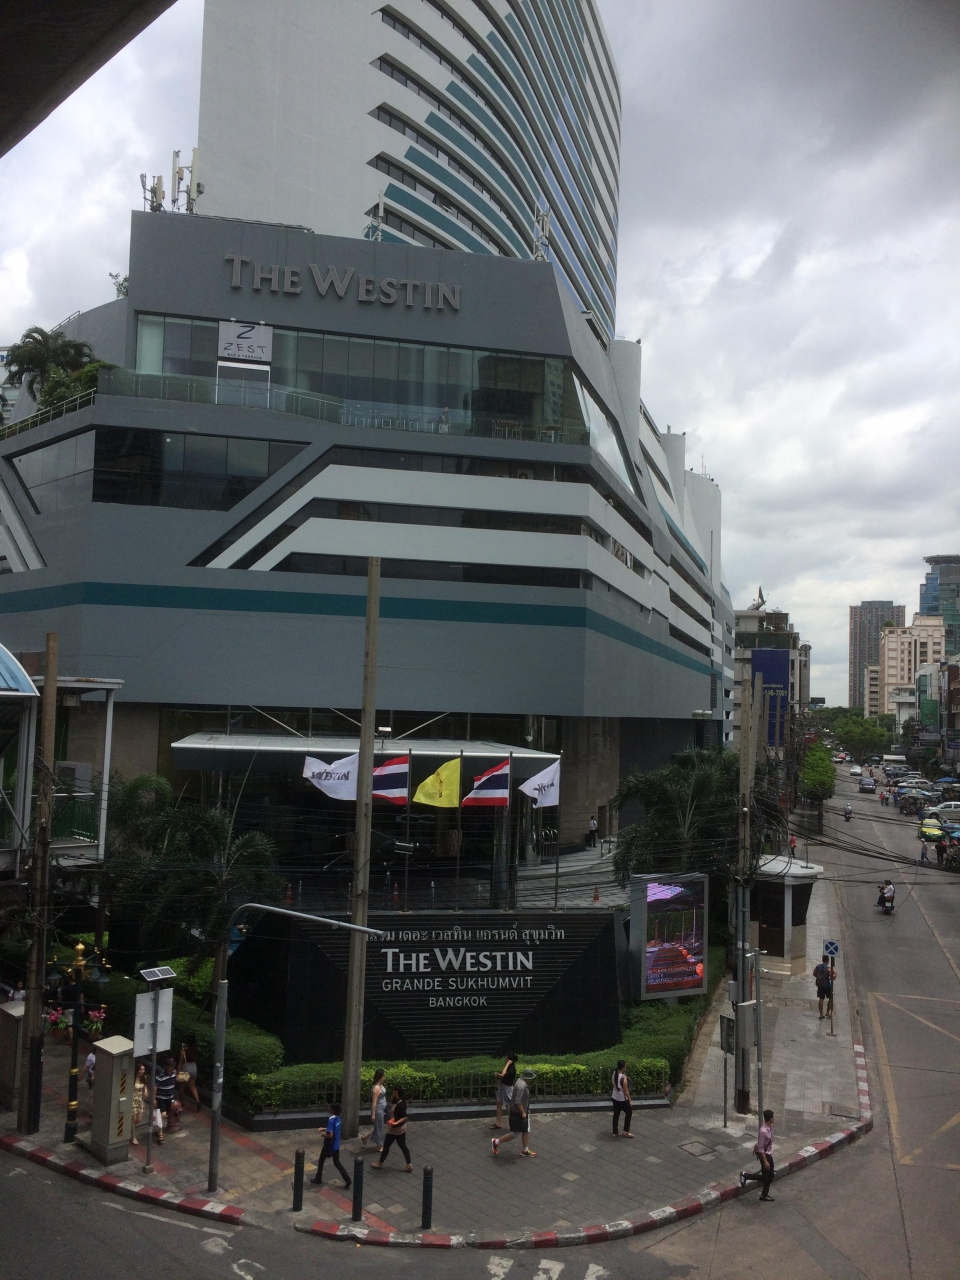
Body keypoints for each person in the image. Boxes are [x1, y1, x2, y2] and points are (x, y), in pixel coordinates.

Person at [492, 1069, 536, 1158]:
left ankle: (525, 1150)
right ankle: (496, 1142)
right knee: (514, 1133)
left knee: (526, 1129)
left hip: (519, 1111)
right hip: (518, 1113)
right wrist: (523, 1112)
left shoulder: (520, 1081)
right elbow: (518, 1101)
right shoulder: (521, 1086)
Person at [372, 1086, 412, 1171]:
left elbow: (404, 1117)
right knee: (402, 1145)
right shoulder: (400, 1101)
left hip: (395, 1129)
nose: (392, 1093)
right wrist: (393, 1096)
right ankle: (408, 1164)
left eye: (393, 1092)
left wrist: (395, 1123)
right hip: (400, 1129)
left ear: (396, 1092)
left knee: (386, 1146)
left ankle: (380, 1163)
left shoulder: (400, 1105)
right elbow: (391, 1102)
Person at [312, 1102, 351, 1188]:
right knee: (337, 1163)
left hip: (329, 1145)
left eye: (330, 1108)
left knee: (321, 1160)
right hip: (336, 1145)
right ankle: (347, 1179)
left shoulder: (331, 1120)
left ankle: (318, 1178)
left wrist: (324, 1135)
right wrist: (324, 1128)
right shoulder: (338, 1119)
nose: (329, 1109)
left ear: (333, 1110)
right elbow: (334, 1129)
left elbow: (330, 1135)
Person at [741, 1109, 776, 1201]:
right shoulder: (763, 1131)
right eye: (773, 1117)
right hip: (765, 1155)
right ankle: (745, 1175)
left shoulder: (769, 1127)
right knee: (767, 1176)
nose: (774, 1119)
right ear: (770, 1119)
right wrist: (765, 1161)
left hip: (768, 1153)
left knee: (769, 1176)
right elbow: (761, 1148)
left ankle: (764, 1195)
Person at [153, 1056, 177, 1144]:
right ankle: (160, 1134)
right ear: (166, 1066)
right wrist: (154, 1099)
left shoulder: (174, 1073)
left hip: (169, 1097)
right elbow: (155, 1087)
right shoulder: (160, 1076)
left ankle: (157, 1127)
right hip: (161, 1098)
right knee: (162, 1114)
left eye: (173, 1066)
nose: (172, 1067)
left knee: (165, 1114)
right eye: (170, 1066)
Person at [361, 1068, 387, 1150]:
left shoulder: (380, 1085)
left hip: (382, 1108)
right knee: (379, 1127)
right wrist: (373, 1114)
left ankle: (365, 1137)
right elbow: (374, 1102)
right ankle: (380, 1145)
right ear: (380, 1077)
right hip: (378, 1109)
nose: (384, 1077)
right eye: (383, 1076)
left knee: (377, 1126)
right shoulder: (376, 1088)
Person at [491, 1053, 517, 1129]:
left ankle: (514, 1123)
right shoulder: (509, 1067)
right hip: (502, 1086)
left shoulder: (512, 1069)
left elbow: (503, 1075)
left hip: (508, 1089)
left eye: (506, 1058)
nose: (505, 1060)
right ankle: (498, 1123)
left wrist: (507, 1064)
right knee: (499, 1103)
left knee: (508, 1106)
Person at [611, 1059, 633, 1138]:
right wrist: (630, 1100)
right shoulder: (623, 1077)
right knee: (629, 1112)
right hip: (622, 1098)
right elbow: (626, 1090)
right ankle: (626, 1131)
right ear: (623, 1067)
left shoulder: (614, 1073)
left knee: (616, 1114)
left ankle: (615, 1132)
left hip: (614, 1096)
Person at [177, 1039, 200, 1110]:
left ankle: (181, 1101)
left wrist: (178, 1071)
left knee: (181, 1086)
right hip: (194, 1068)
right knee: (192, 1086)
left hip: (186, 1069)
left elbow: (181, 1062)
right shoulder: (195, 1050)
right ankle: (198, 1101)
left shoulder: (183, 1051)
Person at [813, 955, 836, 1019]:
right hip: (827, 986)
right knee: (830, 998)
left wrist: (819, 977)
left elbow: (814, 973)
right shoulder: (828, 968)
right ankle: (827, 1012)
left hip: (820, 985)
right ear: (828, 961)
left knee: (821, 999)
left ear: (822, 960)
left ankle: (821, 1014)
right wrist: (834, 975)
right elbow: (833, 976)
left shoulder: (818, 967)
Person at [130, 1062, 147, 1146]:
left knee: (139, 1119)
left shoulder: (144, 1078)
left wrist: (145, 1090)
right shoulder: (132, 1079)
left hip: (140, 1100)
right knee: (133, 1119)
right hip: (133, 1100)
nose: (142, 1071)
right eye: (141, 1070)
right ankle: (133, 1136)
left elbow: (145, 1086)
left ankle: (129, 1129)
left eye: (143, 1070)